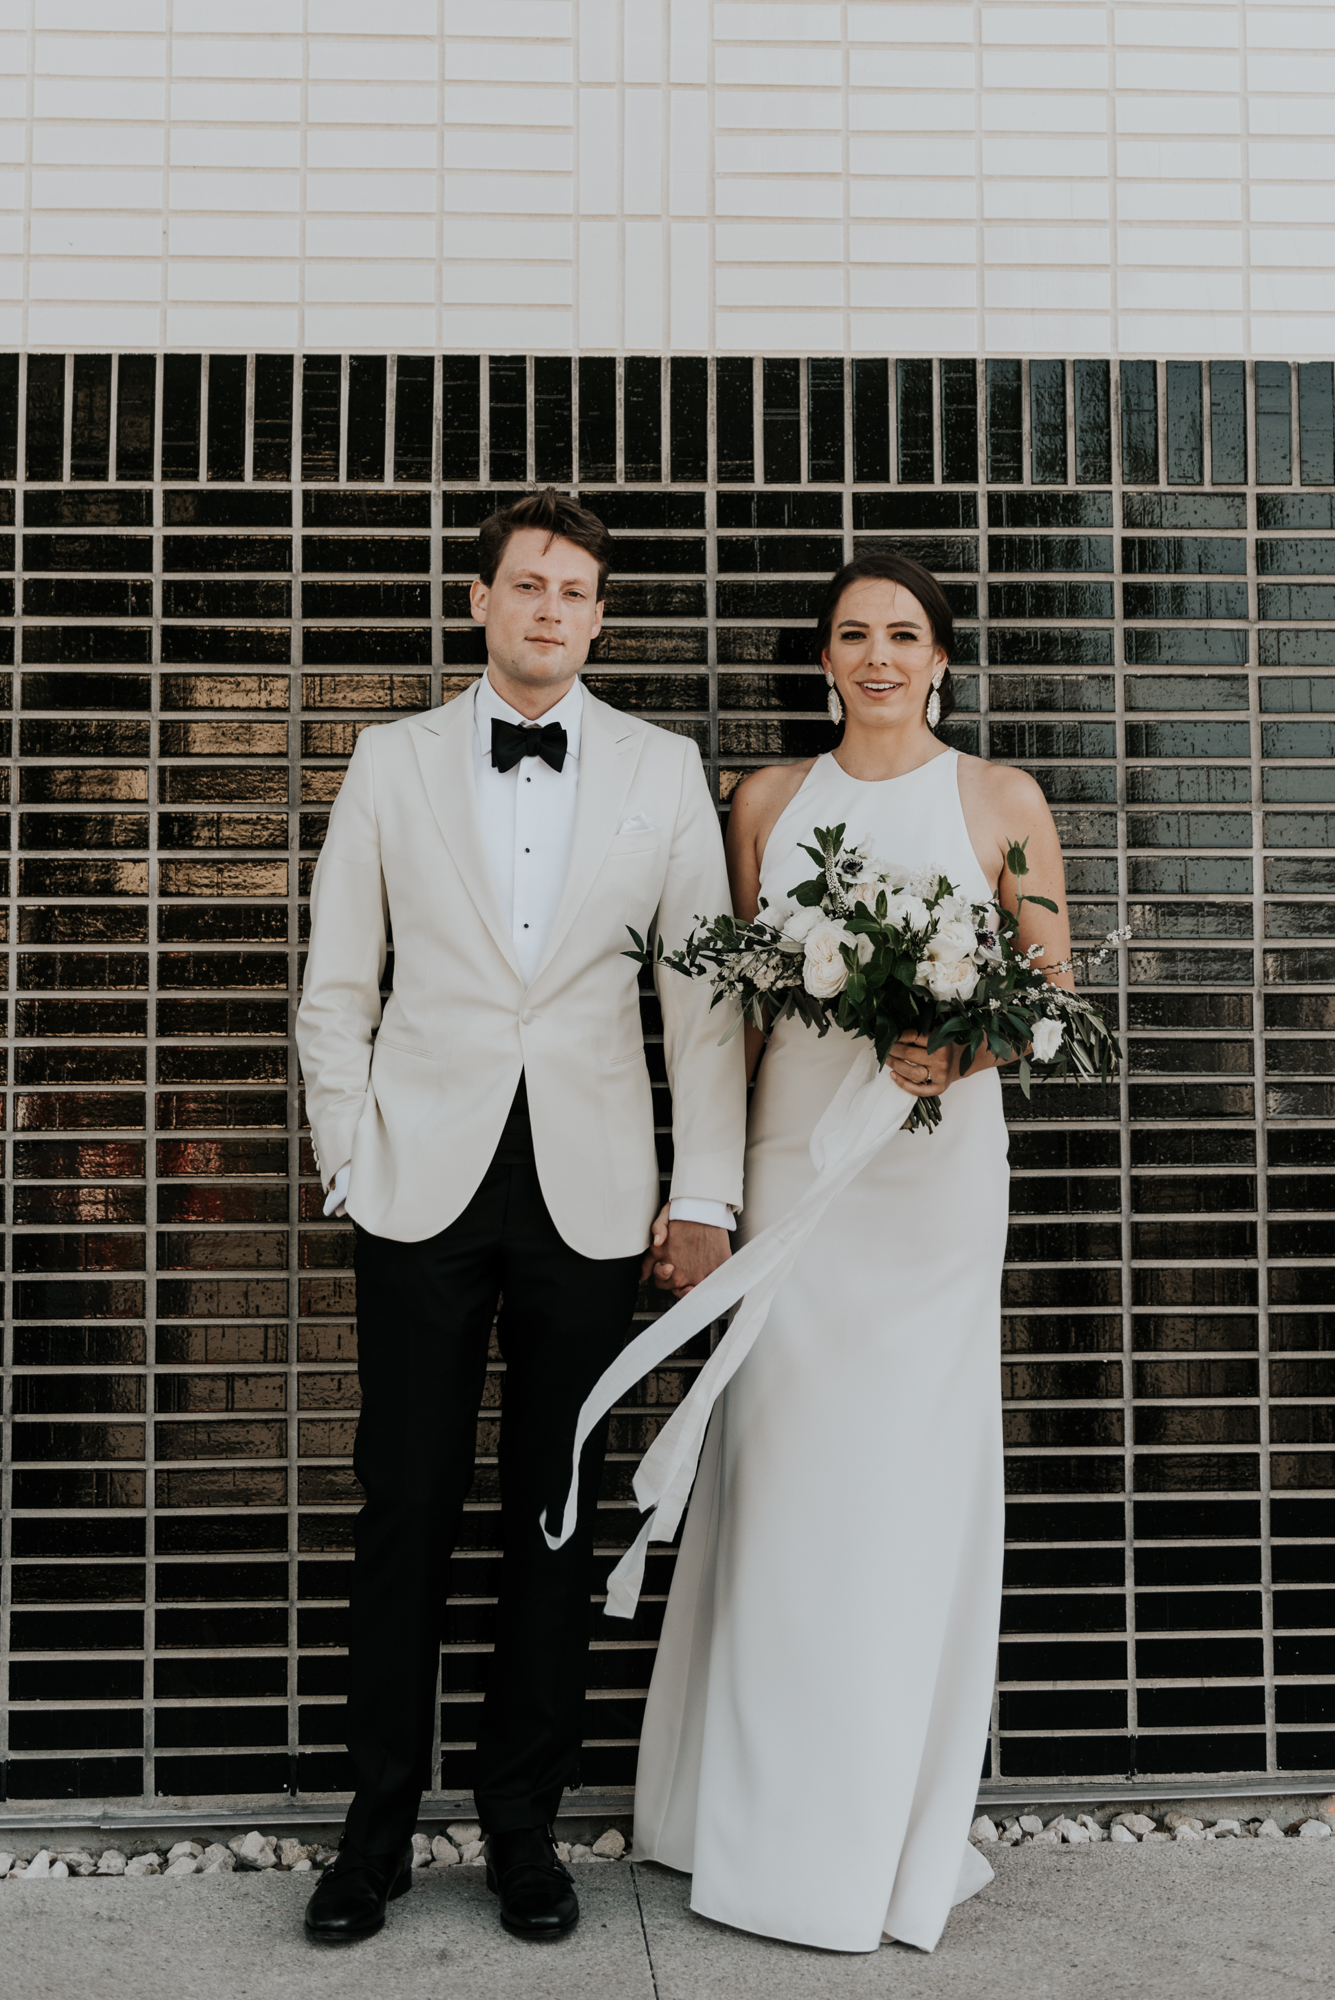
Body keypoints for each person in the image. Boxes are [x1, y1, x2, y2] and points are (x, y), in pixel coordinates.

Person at [296, 489, 746, 1944]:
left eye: (577, 593)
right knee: (406, 1505)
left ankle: (523, 1834)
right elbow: (337, 987)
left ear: (600, 618)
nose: (553, 609)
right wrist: (353, 1164)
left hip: (593, 1189)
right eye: (529, 585)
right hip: (420, 1183)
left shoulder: (663, 769)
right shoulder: (393, 758)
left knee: (554, 1516)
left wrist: (701, 1193)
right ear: (480, 600)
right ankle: (372, 1838)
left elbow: (702, 1006)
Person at [631, 549, 1073, 1954]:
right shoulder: (766, 801)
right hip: (796, 1170)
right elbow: (735, 1020)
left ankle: (883, 1824)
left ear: (942, 656)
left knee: (906, 1486)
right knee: (787, 1476)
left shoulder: (1002, 798)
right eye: (850, 635)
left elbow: (1048, 997)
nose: (877, 655)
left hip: (935, 1196)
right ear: (820, 659)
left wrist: (966, 1040)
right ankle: (740, 1818)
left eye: (903, 634)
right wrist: (705, 1190)